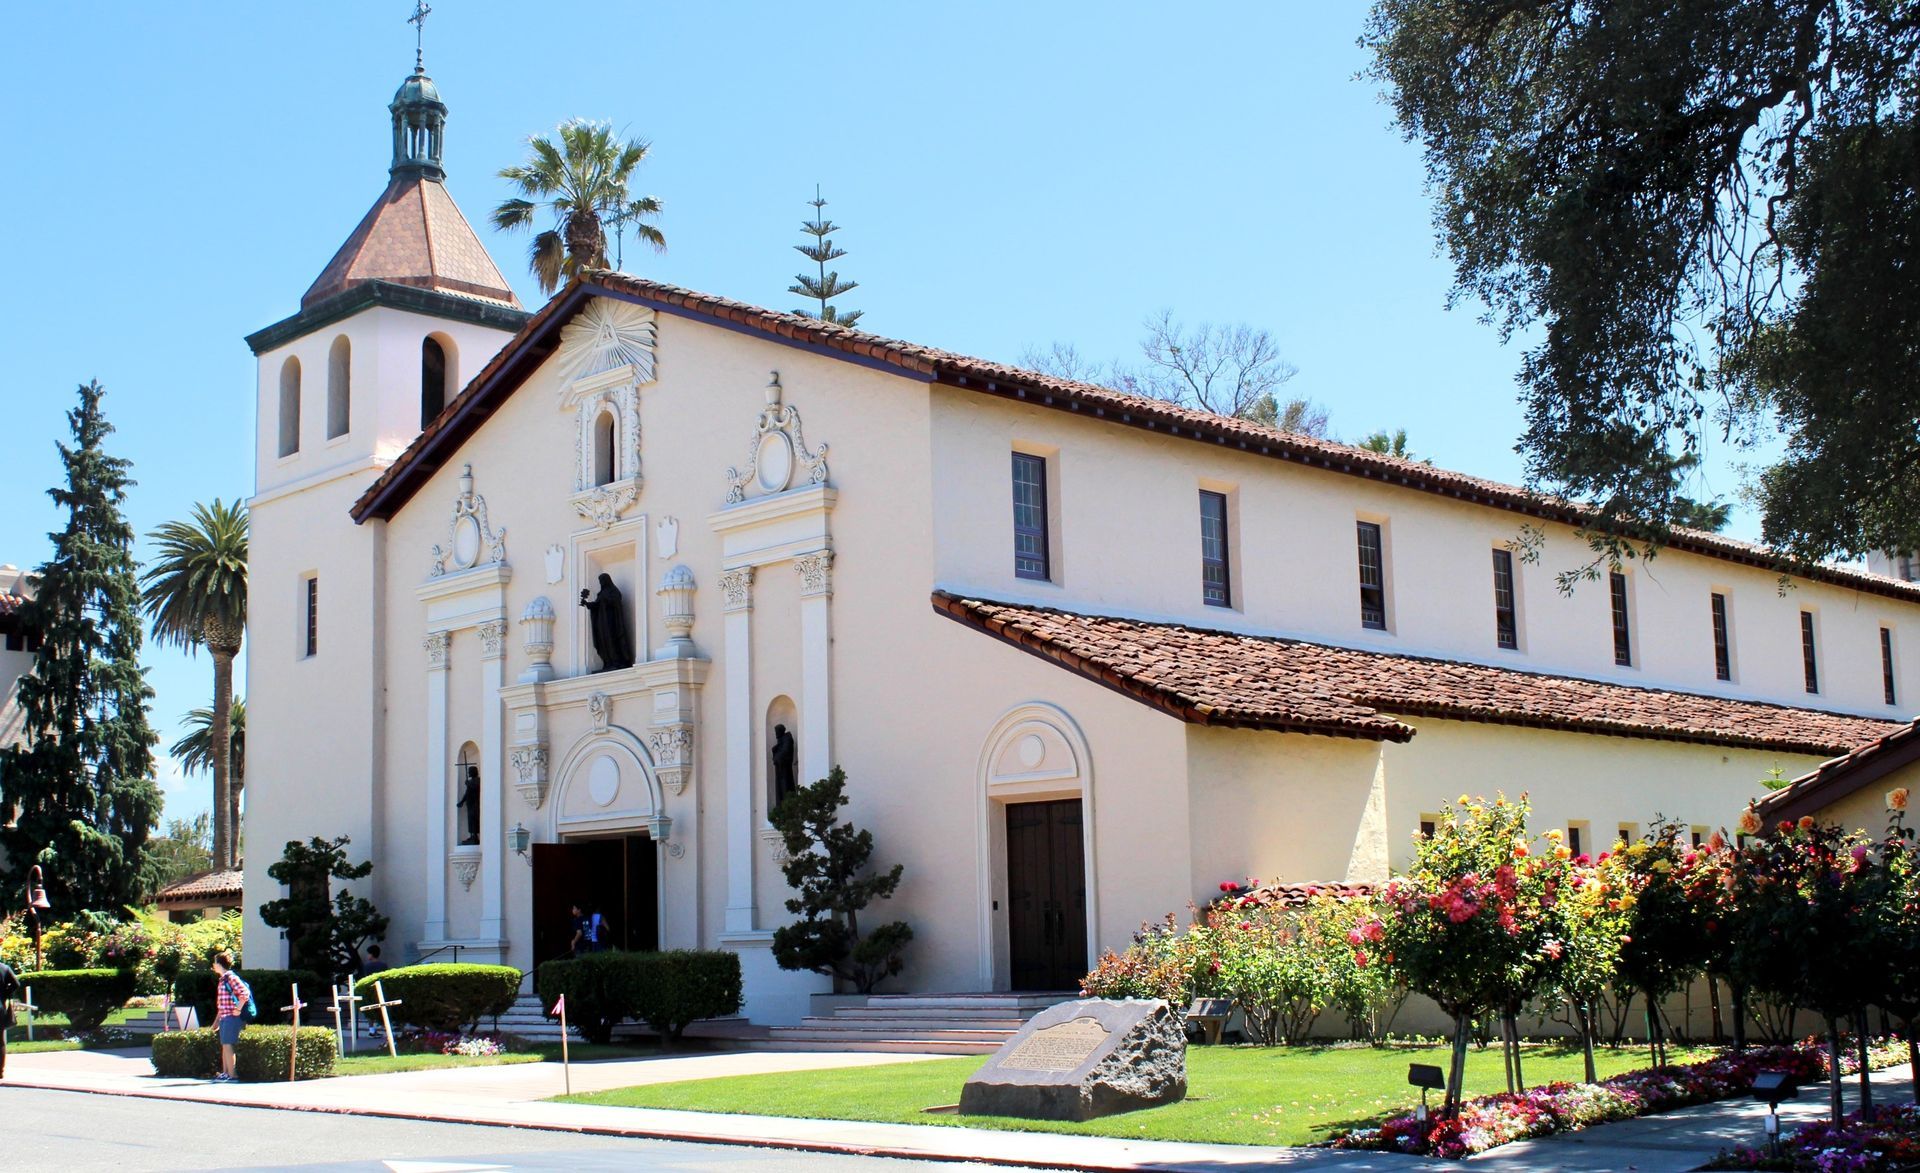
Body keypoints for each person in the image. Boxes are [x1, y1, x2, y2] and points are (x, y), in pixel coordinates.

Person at [211, 951, 250, 1082]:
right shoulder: (223, 980)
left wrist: (238, 1009)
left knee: (228, 1045)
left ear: (220, 964)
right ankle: (225, 1072)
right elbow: (221, 1005)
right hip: (225, 1017)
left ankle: (232, 1075)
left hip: (231, 1018)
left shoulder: (231, 978)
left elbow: (245, 993)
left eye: (215, 962)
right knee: (225, 1045)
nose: (213, 965)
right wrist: (216, 1022)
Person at [0, 957, 19, 1079]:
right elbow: (16, 984)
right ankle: (0, 1070)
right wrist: (5, 994)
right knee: (0, 1040)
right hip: (0, 1007)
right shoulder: (4, 968)